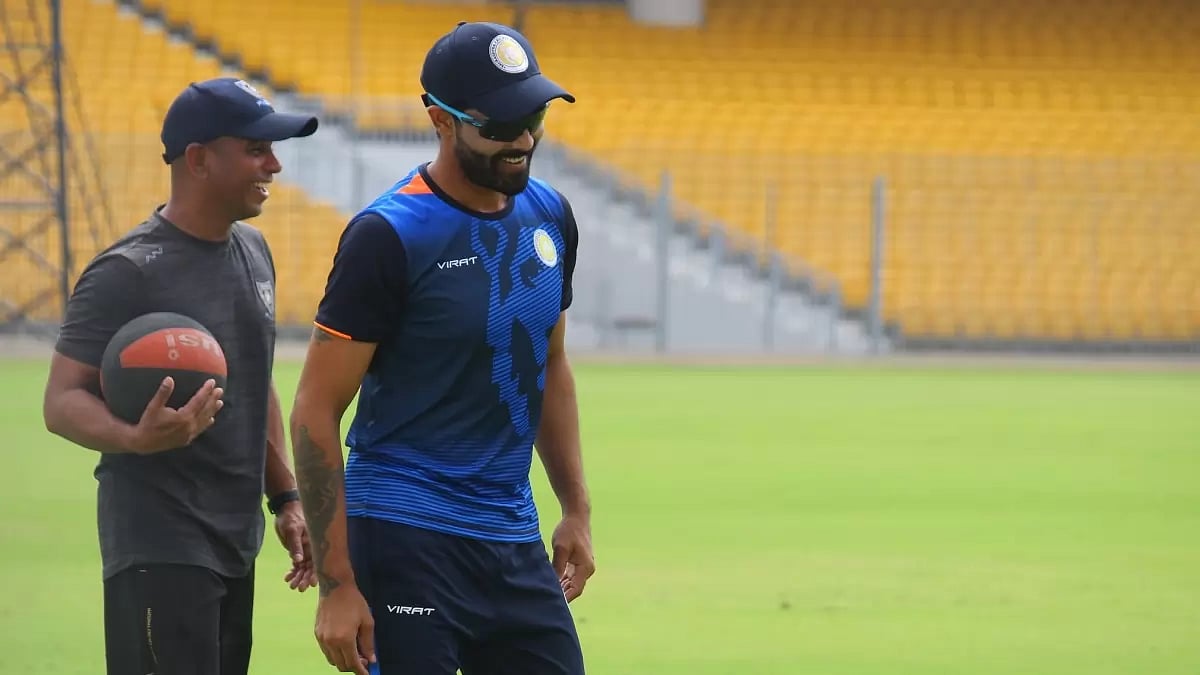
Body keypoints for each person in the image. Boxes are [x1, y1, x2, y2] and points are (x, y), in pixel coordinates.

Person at [289, 21, 594, 675]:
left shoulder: (552, 217)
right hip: (402, 533)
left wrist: (575, 508)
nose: (523, 139)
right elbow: (314, 408)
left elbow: (549, 361)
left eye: (534, 115)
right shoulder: (387, 236)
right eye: (501, 123)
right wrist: (338, 584)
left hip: (512, 534)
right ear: (440, 119)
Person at [42, 77, 321, 675]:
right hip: (159, 542)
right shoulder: (126, 271)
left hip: (235, 539)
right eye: (255, 149)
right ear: (197, 159)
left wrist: (287, 498)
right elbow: (61, 401)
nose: (274, 165)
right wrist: (134, 438)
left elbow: (254, 378)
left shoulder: (254, 251)